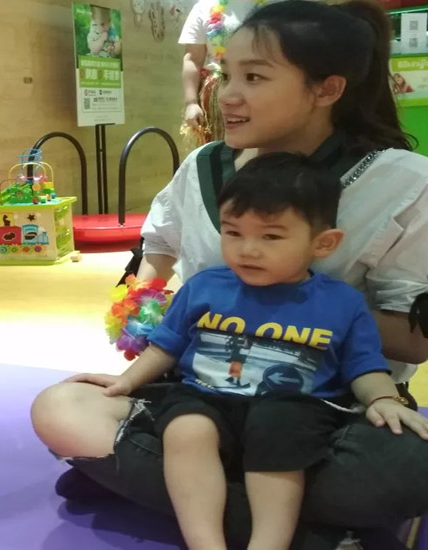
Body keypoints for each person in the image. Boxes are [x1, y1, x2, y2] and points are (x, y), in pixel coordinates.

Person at [32, 2, 428, 549]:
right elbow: (158, 250)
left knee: (406, 472)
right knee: (60, 408)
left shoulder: (405, 182)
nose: (226, 95)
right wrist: (145, 317)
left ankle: (153, 482)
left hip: (328, 409)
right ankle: (307, 533)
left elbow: (414, 339)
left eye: (254, 77)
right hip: (202, 394)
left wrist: (287, 308)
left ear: (327, 89)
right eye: (225, 74)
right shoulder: (202, 165)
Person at [90, 152, 428, 550]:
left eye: (270, 237)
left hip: (292, 409)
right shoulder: (204, 287)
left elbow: (364, 366)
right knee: (185, 428)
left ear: (323, 243)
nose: (247, 250)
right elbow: (166, 346)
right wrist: (125, 382)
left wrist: (384, 399)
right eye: (233, 233)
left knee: (279, 425)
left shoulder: (343, 302)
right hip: (205, 397)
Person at [179, 0, 265, 145]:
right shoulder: (204, 7)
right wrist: (191, 103)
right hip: (218, 92)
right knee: (221, 146)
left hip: (262, 87)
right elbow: (193, 59)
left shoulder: (276, 5)